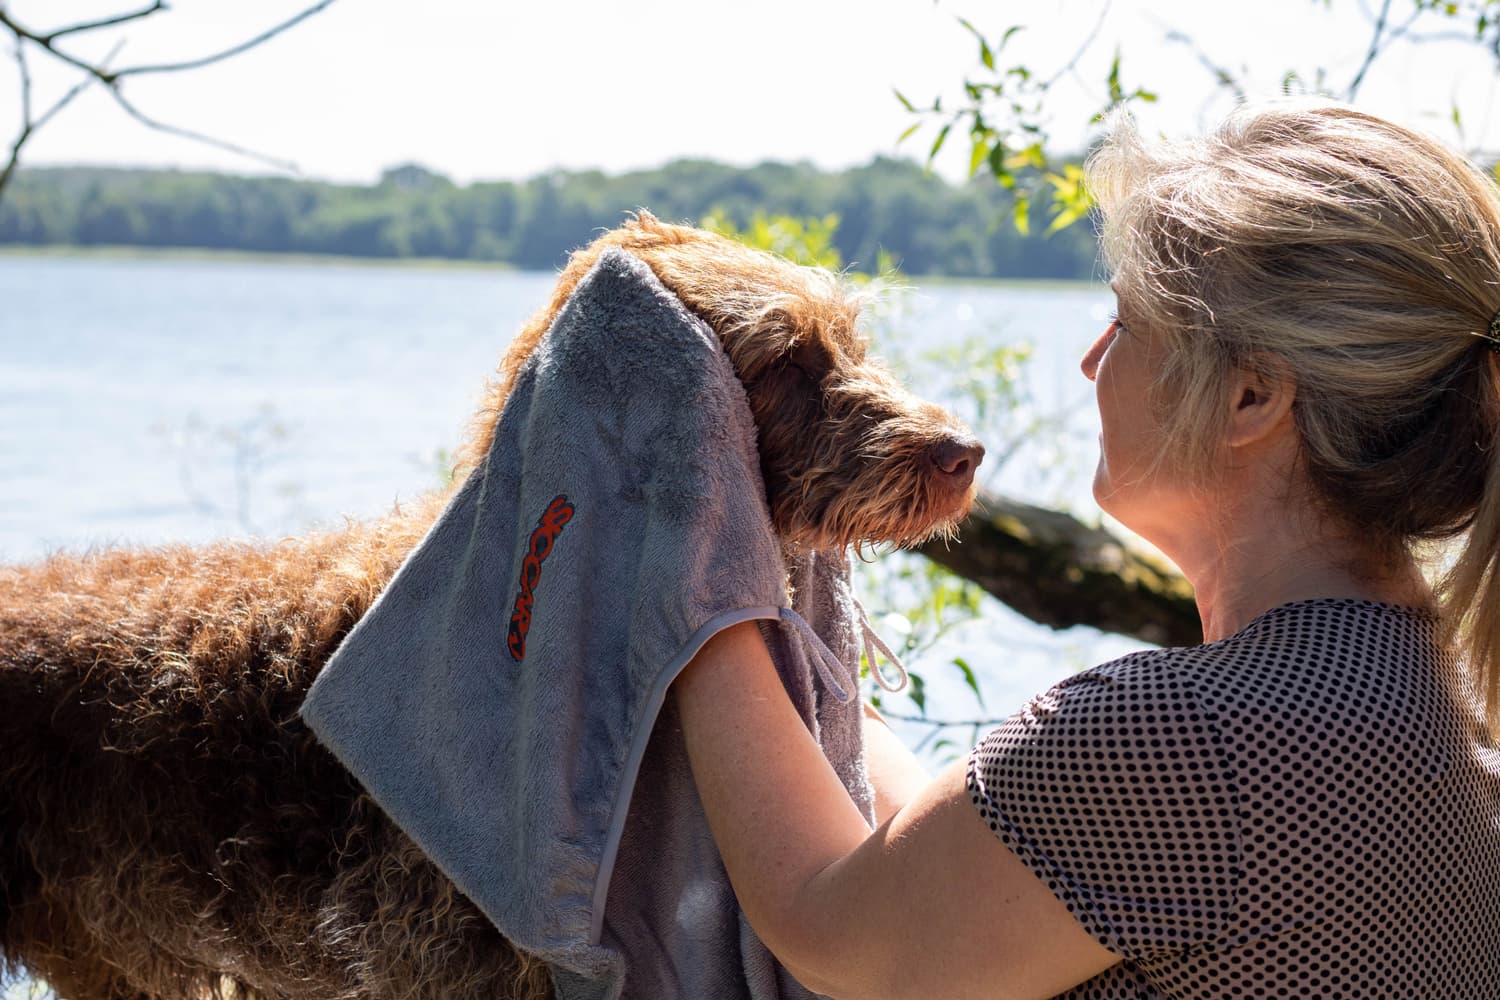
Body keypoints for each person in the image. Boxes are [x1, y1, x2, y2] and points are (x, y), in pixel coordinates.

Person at [672, 100, 1500, 999]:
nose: (1090, 360)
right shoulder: (1431, 699)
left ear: (1252, 395)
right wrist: (811, 636)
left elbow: (828, 931)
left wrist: (692, 553)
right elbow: (931, 862)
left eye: (1126, 323)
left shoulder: (1192, 740)